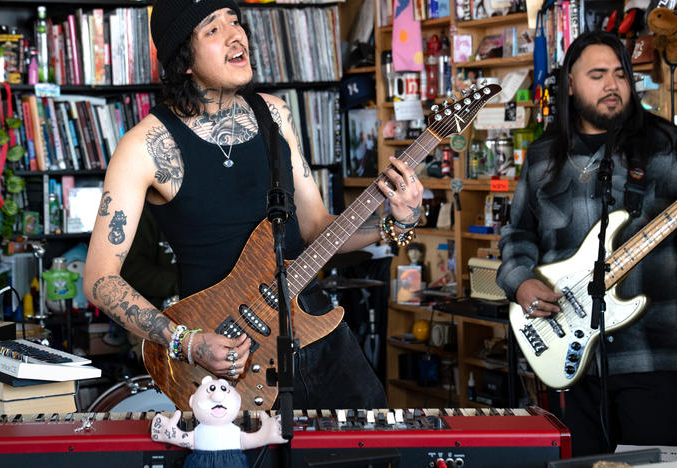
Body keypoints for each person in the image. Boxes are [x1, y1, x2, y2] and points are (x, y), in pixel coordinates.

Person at [83, 0, 423, 411]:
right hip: (227, 358)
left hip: (318, 333)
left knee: (377, 449)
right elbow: (100, 280)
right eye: (212, 29)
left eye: (234, 20)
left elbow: (317, 228)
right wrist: (186, 342)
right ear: (182, 59)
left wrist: (397, 221)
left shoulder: (274, 114)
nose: (235, 33)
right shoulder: (146, 147)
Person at [496, 30, 677, 457]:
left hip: (652, 358)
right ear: (571, 84)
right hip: (568, 362)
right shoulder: (543, 156)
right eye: (598, 75)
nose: (612, 85)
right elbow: (518, 235)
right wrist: (520, 282)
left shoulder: (667, 147)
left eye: (620, 74)